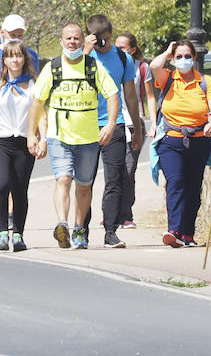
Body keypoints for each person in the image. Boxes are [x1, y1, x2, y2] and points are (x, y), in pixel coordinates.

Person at [26, 22, 120, 250]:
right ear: (61, 41)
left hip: (88, 138)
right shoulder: (53, 68)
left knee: (84, 185)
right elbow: (37, 102)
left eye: (76, 38)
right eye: (68, 39)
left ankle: (79, 229)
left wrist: (109, 125)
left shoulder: (93, 67)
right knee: (63, 179)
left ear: (83, 41)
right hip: (59, 136)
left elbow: (112, 96)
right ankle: (63, 225)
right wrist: (32, 134)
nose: (72, 42)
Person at [149, 39, 211, 246]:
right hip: (171, 141)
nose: (183, 60)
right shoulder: (168, 78)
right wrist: (168, 51)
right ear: (172, 59)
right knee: (175, 182)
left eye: (187, 56)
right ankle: (174, 230)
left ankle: (188, 233)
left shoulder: (205, 81)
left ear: (194, 57)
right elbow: (154, 66)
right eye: (178, 57)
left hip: (199, 141)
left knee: (192, 187)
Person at [0, 41, 43, 252]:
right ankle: (2, 233)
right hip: (0, 141)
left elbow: (42, 114)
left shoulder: (34, 83)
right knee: (2, 184)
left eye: (19, 56)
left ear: (25, 59)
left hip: (24, 142)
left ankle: (19, 235)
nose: (15, 60)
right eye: (10, 56)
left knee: (20, 190)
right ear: (4, 60)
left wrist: (42, 139)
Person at [85, 14, 144, 249]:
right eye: (101, 40)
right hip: (85, 125)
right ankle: (81, 230)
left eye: (108, 39)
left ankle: (111, 232)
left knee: (115, 180)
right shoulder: (80, 57)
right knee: (84, 181)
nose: (105, 45)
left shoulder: (122, 57)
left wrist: (137, 129)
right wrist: (86, 52)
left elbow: (130, 95)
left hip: (114, 123)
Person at [115, 32, 157, 229]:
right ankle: (112, 213)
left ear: (132, 49)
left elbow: (150, 96)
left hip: (135, 122)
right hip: (114, 122)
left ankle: (126, 214)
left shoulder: (142, 67)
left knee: (128, 170)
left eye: (122, 47)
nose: (118, 50)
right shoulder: (111, 64)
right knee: (114, 170)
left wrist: (154, 122)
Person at [0, 14, 40, 134]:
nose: (16, 38)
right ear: (2, 32)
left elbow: (35, 90)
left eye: (19, 35)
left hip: (23, 119)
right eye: (12, 35)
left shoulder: (31, 55)